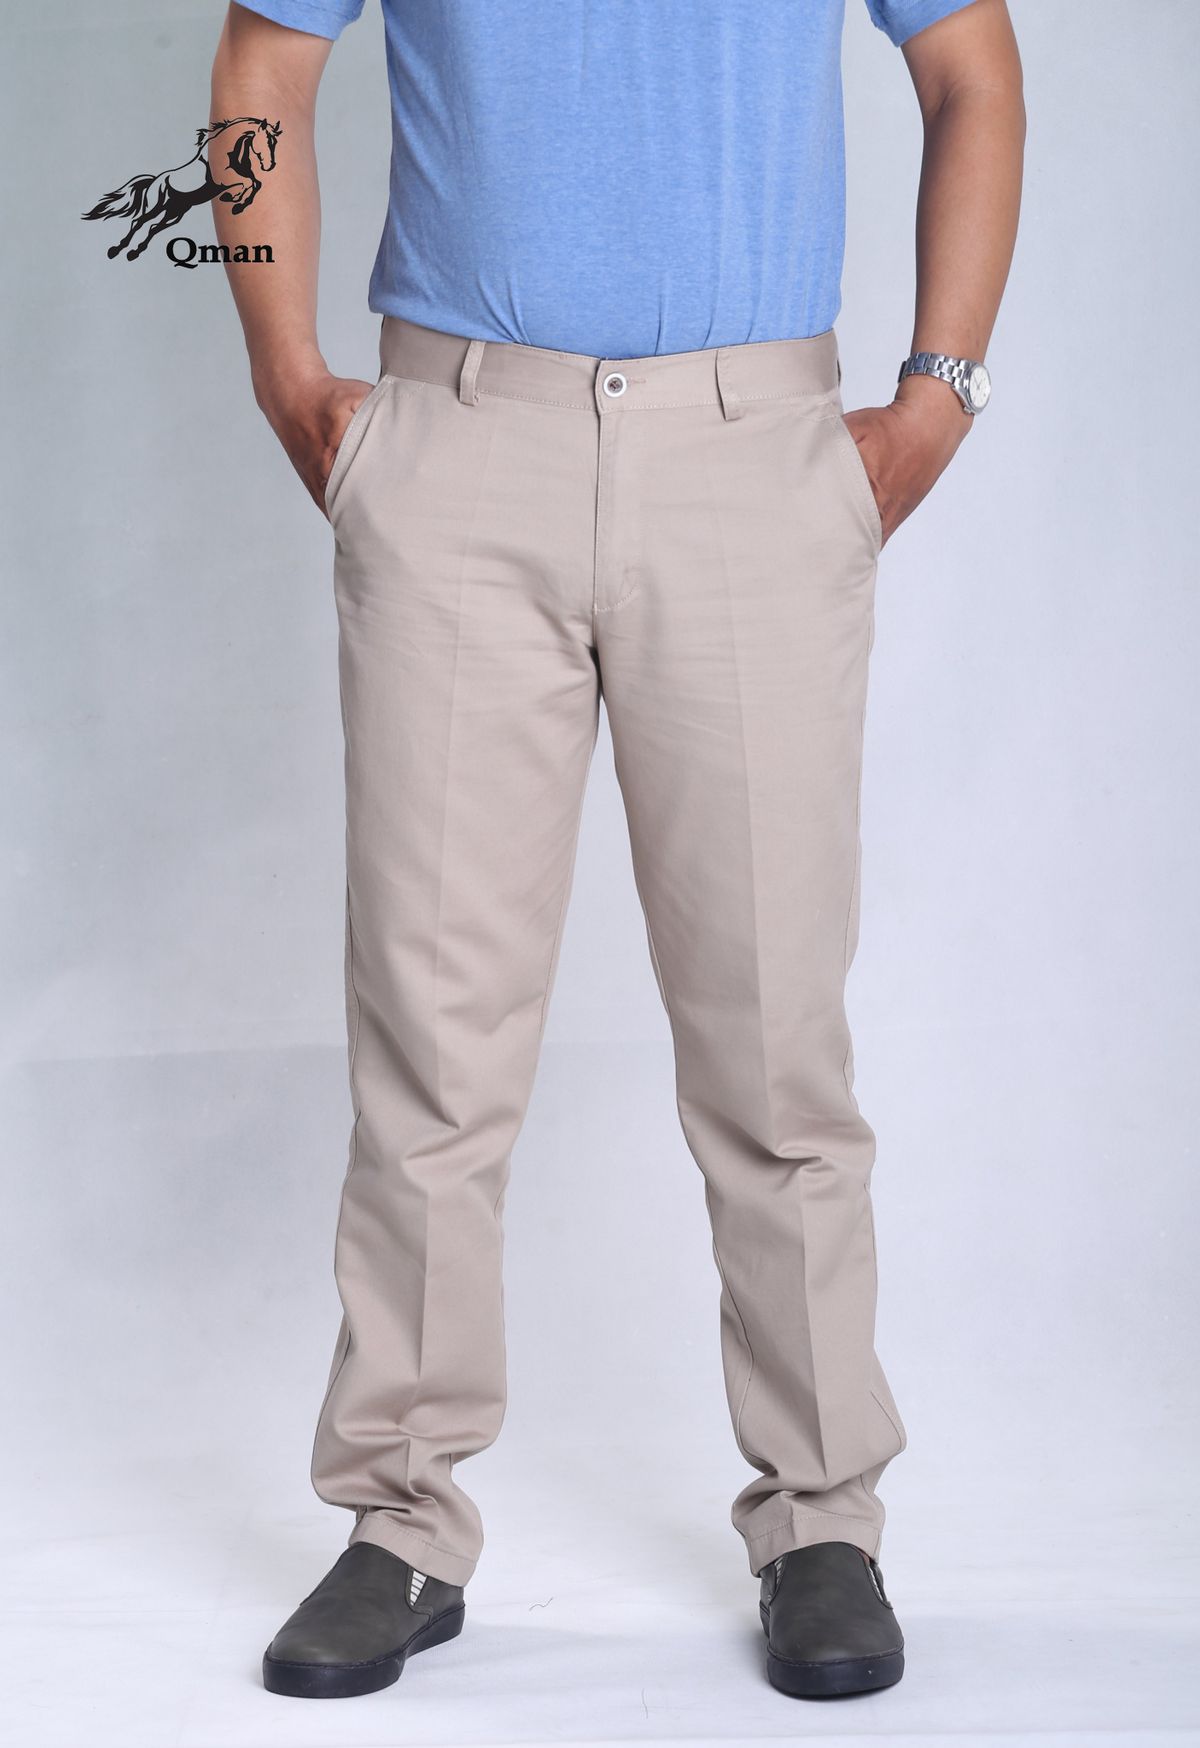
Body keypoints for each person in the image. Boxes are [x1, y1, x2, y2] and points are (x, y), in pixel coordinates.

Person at [210, 0, 1024, 1703]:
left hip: (752, 451)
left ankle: (823, 1520)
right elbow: (265, 57)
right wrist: (289, 376)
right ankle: (399, 1522)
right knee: (434, 1043)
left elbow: (970, 64)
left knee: (775, 1043)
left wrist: (936, 398)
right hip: (458, 439)